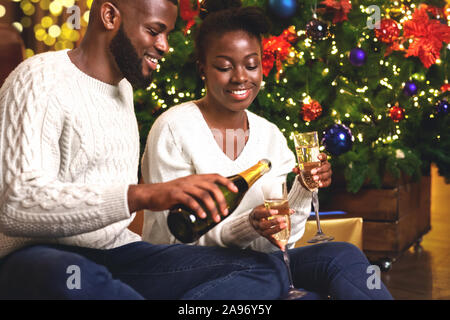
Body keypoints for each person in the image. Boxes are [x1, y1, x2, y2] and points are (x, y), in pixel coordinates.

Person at [0, 0, 294, 300]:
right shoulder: (39, 79)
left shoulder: (122, 90)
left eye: (166, 34)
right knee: (74, 278)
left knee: (264, 269)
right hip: (38, 256)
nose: (164, 46)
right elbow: (15, 205)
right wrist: (144, 195)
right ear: (110, 15)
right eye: (154, 31)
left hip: (118, 254)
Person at [141, 0, 393, 300]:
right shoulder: (173, 128)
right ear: (202, 69)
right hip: (187, 270)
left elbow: (283, 241)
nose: (240, 78)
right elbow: (177, 236)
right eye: (224, 66)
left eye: (251, 65)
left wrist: (303, 187)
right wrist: (248, 226)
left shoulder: (270, 137)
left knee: (341, 255)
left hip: (262, 265)